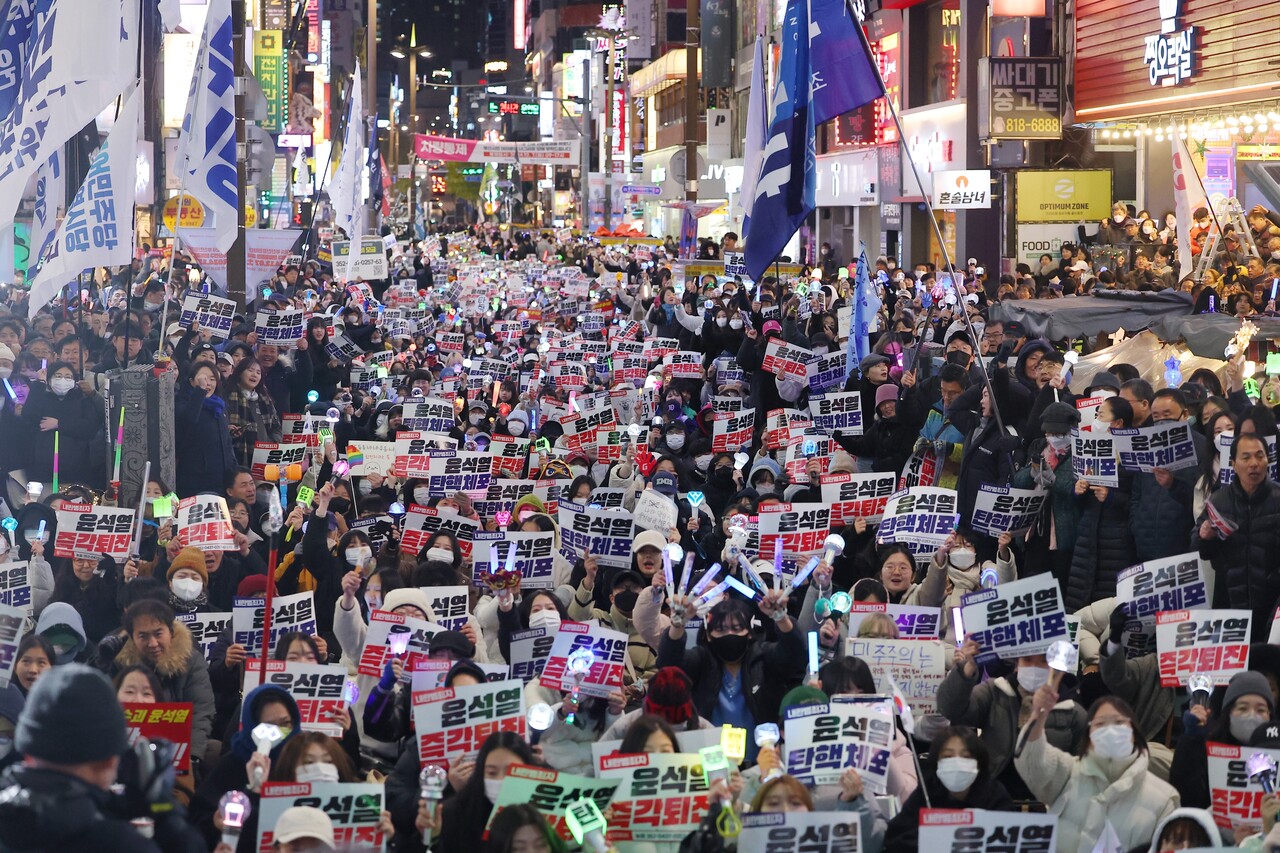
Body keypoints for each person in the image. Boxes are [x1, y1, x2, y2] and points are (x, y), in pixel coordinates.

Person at [0, 663, 204, 851]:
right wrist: (165, 813)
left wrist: (115, 804)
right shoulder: (120, 844)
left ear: (27, 748)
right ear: (110, 761)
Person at [1015, 693, 1178, 852]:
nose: (1110, 730)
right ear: (1088, 735)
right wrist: (1037, 718)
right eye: (1100, 724)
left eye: (1119, 722)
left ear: (1134, 732)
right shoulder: (1067, 772)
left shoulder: (1163, 799)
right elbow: (1033, 765)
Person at [110, 599, 216, 775]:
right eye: (143, 636)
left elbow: (201, 711)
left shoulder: (191, 661)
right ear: (132, 637)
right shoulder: (119, 661)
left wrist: (190, 758)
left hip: (179, 749)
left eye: (158, 634)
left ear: (171, 632)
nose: (153, 643)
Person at [1196, 432, 1280, 640]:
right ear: (1233, 463)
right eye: (1246, 457)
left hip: (1272, 604)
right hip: (1230, 602)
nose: (1254, 463)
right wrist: (1204, 536)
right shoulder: (1218, 500)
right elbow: (1202, 551)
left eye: (1260, 456)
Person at [883, 726, 1016, 853]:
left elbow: (1012, 838)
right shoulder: (926, 793)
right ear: (936, 762)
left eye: (966, 756)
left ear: (979, 762)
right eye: (948, 756)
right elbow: (897, 839)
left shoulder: (994, 793)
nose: (957, 762)